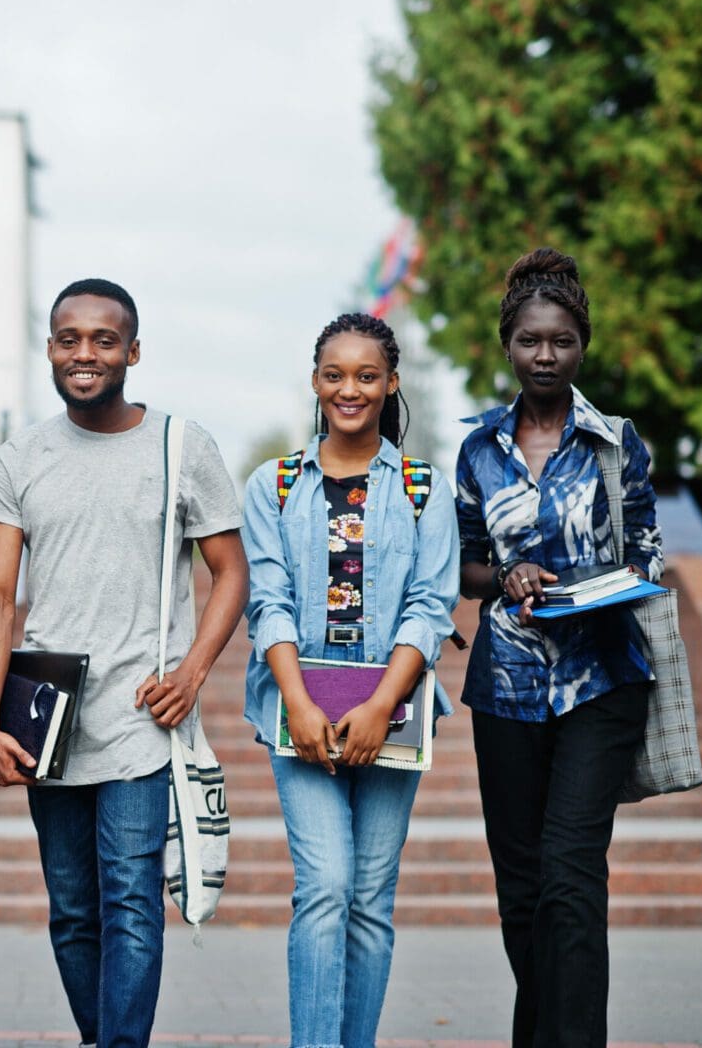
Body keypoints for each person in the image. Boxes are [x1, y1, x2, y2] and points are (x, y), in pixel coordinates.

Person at [0, 278, 248, 1048]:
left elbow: (230, 571)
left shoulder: (180, 446)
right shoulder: (20, 456)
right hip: (46, 715)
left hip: (139, 714)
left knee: (129, 899)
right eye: (68, 338)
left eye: (102, 339)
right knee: (71, 909)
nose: (84, 353)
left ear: (131, 351)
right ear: (51, 347)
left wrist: (192, 672)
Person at [456, 248, 663, 1047]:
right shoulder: (477, 448)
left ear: (582, 346)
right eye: (530, 341)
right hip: (504, 688)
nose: (545, 355)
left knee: (570, 879)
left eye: (562, 341)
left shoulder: (616, 441)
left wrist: (588, 583)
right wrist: (504, 575)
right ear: (507, 344)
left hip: (600, 680)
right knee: (522, 890)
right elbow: (464, 563)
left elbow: (646, 555)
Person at [241, 312, 459, 1048]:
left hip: (391, 712)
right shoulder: (271, 486)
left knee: (369, 899)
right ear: (314, 382)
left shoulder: (425, 488)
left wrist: (379, 705)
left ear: (390, 384)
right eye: (334, 374)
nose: (350, 389)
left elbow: (431, 605)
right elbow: (265, 600)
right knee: (325, 887)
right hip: (298, 711)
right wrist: (298, 704)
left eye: (367, 375)